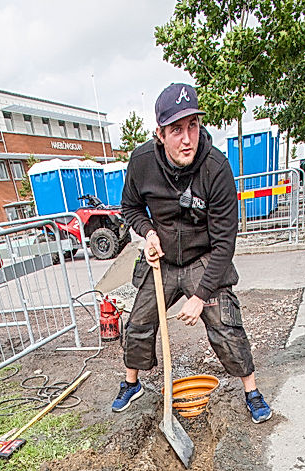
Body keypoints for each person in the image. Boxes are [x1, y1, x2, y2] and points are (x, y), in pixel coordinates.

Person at [112, 82, 271, 424]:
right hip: (163, 259)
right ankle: (131, 384)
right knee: (138, 322)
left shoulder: (215, 167)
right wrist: (149, 233)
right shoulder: (141, 162)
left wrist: (200, 297)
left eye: (193, 126)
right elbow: (131, 208)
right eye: (176, 130)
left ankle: (252, 391)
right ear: (160, 134)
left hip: (204, 258)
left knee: (225, 324)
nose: (187, 139)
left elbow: (225, 242)